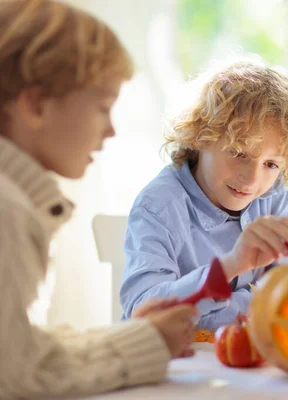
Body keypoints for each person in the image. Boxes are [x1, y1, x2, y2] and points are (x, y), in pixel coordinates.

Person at [0, 1, 196, 397]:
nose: (110, 131)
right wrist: (147, 345)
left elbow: (22, 347)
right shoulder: (8, 212)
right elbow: (13, 375)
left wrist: (133, 337)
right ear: (35, 105)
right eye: (103, 107)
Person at [120, 59, 288, 330]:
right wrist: (231, 267)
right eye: (239, 153)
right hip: (175, 363)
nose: (251, 179)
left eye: (271, 164)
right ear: (201, 136)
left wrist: (207, 307)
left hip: (250, 364)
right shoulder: (159, 207)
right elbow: (142, 312)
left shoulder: (274, 197)